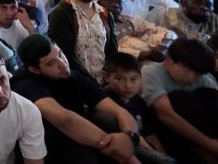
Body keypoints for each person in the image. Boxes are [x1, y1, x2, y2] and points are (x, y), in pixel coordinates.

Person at [12, 34, 141, 164]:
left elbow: (118, 111)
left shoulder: (71, 75)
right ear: (34, 70)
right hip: (46, 150)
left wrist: (129, 137)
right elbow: (65, 119)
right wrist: (118, 148)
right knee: (68, 139)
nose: (62, 64)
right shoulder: (24, 85)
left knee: (108, 119)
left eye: (60, 54)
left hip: (84, 141)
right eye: (52, 63)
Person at [141, 38, 218, 162]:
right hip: (166, 131)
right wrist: (210, 145)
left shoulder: (204, 80)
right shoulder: (151, 72)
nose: (192, 78)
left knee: (211, 95)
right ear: (169, 60)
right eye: (187, 70)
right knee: (180, 98)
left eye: (198, 74)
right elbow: (166, 115)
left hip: (205, 134)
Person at [102, 52, 176, 163]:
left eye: (133, 79)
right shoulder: (106, 99)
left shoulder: (138, 101)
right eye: (119, 79)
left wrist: (161, 154)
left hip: (145, 146)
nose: (128, 85)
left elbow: (149, 133)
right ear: (107, 77)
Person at [49, 0, 117, 82]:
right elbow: (66, 55)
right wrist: (88, 82)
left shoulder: (104, 14)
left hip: (103, 80)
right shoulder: (61, 14)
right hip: (75, 80)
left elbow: (112, 50)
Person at [96, 0, 176, 62]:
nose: (116, 5)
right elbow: (117, 52)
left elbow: (162, 31)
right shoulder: (97, 27)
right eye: (110, 1)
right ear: (99, 4)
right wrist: (149, 54)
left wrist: (164, 45)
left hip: (155, 51)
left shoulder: (128, 19)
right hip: (135, 62)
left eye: (119, 2)